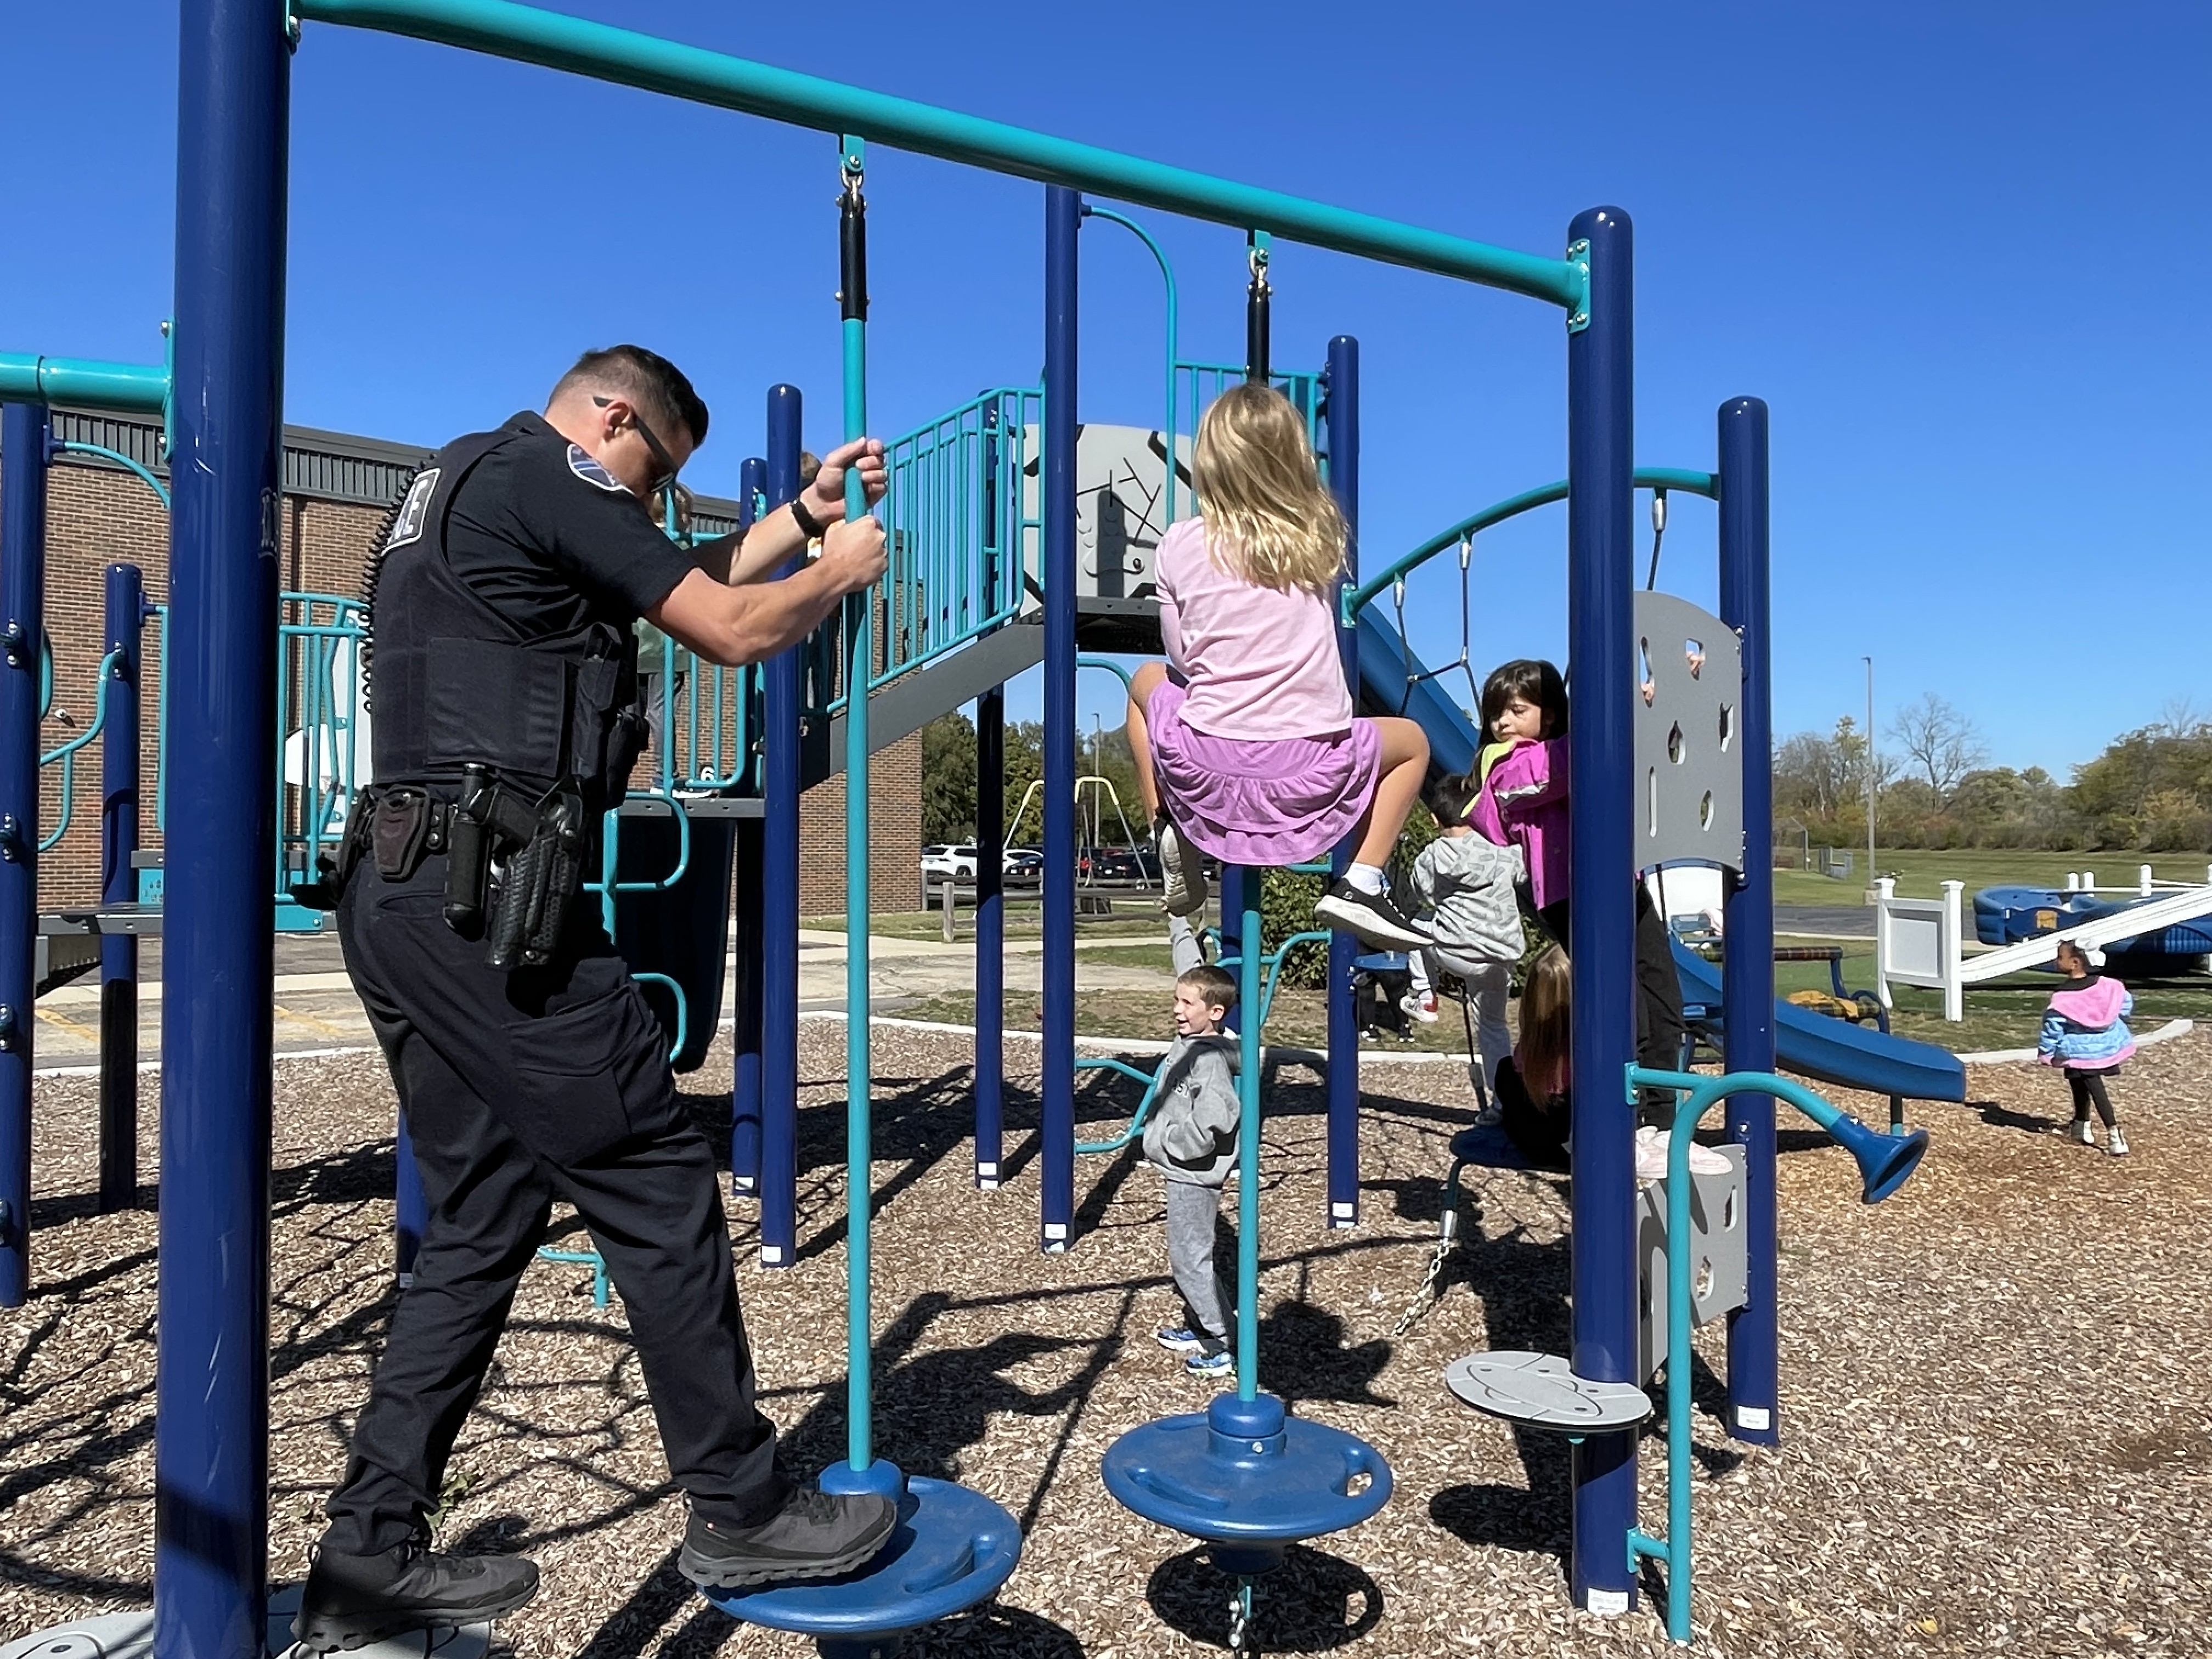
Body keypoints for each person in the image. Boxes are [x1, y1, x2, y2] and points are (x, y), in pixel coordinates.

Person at [294, 346, 896, 1652]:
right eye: (656, 473)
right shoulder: (552, 470)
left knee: (482, 1215)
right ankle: (738, 1508)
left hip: (405, 890)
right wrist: (832, 579)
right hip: (491, 902)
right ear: (610, 417)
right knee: (656, 1177)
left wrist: (796, 521)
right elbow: (731, 630)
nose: (657, 507)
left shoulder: (463, 475)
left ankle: (367, 1553)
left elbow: (688, 579)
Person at [1123, 383, 1431, 951]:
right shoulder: (1317, 540)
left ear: (1209, 464)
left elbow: (1182, 659)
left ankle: (1167, 823)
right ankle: (1362, 880)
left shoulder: (1179, 543)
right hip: (1309, 774)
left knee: (1144, 682)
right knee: (1412, 744)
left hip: (1202, 764)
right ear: (1295, 461)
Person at [1472, 658, 1686, 1099]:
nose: (1502, 722)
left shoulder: (1578, 747)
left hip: (1622, 883)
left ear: (1547, 714)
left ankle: (1664, 1117)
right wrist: (1618, 713)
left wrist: (1668, 692)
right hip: (1571, 894)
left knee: (1663, 999)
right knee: (1629, 1011)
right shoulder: (1505, 766)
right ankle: (1634, 1117)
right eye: (1496, 713)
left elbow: (1653, 751)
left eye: (1515, 710)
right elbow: (1550, 772)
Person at [1143, 963, 1244, 1381]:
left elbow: (1219, 1116)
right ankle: (1202, 1325)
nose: (1178, 1010)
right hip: (1183, 1170)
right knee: (1188, 1254)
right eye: (1176, 1000)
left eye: (1187, 1003)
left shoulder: (1211, 1061)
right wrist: (1178, 921)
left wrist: (1174, 1143)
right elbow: (1189, 956)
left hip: (1194, 1173)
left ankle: (1223, 1340)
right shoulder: (1193, 1041)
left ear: (1216, 1013)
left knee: (1190, 1259)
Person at [1397, 772, 1525, 1098]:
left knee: (1416, 926)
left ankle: (1425, 996)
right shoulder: (1500, 850)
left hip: (1456, 952)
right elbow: (1525, 870)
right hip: (1500, 960)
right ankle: (1503, 1101)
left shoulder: (1433, 856)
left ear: (1434, 818)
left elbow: (1421, 891)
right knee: (1494, 1028)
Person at [2038, 939, 2133, 1156]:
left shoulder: (2063, 998)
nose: (2056, 961)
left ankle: (2115, 1133)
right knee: (2077, 1080)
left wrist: (2046, 1052)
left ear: (2075, 963)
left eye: (2060, 957)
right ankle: (2081, 1125)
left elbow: (2052, 1029)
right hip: (2105, 1046)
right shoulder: (2108, 986)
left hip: (2078, 1049)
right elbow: (2125, 1003)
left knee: (2094, 1087)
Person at [1493, 945, 1572, 1170]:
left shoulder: (1529, 1046)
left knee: (1507, 1070)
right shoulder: (1586, 1049)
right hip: (1571, 1140)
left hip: (1531, 1140)